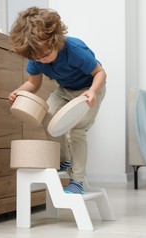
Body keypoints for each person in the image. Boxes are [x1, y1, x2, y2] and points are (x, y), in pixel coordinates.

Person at [8, 7, 106, 194]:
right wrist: (18, 92)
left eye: (45, 55)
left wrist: (92, 92)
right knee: (48, 118)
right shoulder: (36, 57)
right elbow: (33, 83)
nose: (41, 60)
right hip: (64, 90)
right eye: (37, 58)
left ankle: (77, 181)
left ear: (55, 40)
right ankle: (64, 159)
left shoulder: (75, 50)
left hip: (90, 88)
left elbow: (100, 73)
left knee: (77, 133)